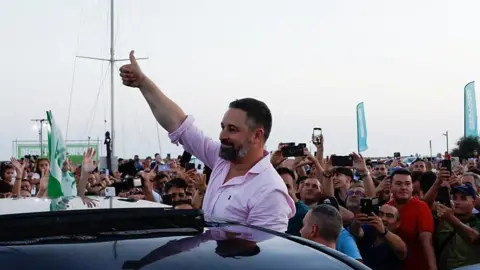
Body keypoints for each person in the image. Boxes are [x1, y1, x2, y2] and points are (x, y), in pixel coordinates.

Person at [119, 51, 295, 232]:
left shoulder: (270, 192)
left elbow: (265, 256)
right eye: (223, 127)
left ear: (257, 136)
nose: (222, 135)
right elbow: (180, 125)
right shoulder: (222, 160)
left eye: (232, 129)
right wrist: (143, 83)